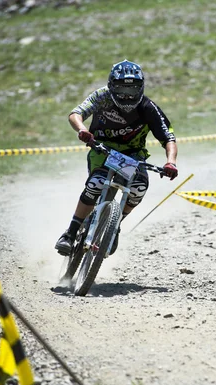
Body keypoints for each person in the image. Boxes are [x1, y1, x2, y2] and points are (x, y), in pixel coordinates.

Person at [55, 59, 178, 256]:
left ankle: (114, 226)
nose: (127, 96)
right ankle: (69, 234)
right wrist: (82, 130)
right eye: (121, 89)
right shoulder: (102, 96)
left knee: (138, 189)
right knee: (96, 183)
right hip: (102, 148)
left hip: (131, 155)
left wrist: (170, 162)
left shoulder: (148, 108)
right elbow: (76, 113)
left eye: (132, 90)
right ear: (111, 86)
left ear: (141, 87)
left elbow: (169, 138)